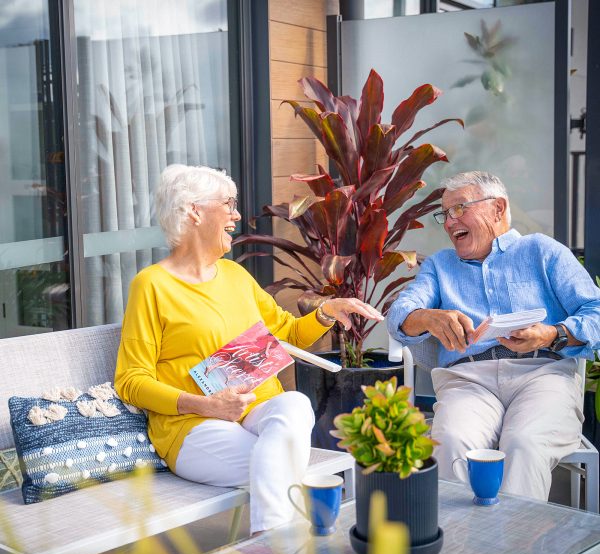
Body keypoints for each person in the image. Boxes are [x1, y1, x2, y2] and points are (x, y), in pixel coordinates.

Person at [114, 164, 383, 534]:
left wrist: (325, 313)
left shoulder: (236, 276)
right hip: (194, 426)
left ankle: (270, 544)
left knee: (295, 405)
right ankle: (280, 547)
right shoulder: (152, 285)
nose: (237, 214)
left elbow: (287, 332)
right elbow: (131, 380)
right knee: (280, 460)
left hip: (258, 414)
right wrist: (207, 405)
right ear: (194, 211)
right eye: (228, 203)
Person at [387, 171, 600, 501]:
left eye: (459, 208)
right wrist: (428, 317)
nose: (448, 222)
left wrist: (553, 335)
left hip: (543, 375)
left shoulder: (542, 251)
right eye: (445, 214)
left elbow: (595, 312)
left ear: (498, 209)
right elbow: (399, 315)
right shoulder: (440, 266)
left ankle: (515, 551)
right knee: (452, 441)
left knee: (524, 442)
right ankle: (460, 550)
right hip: (467, 380)